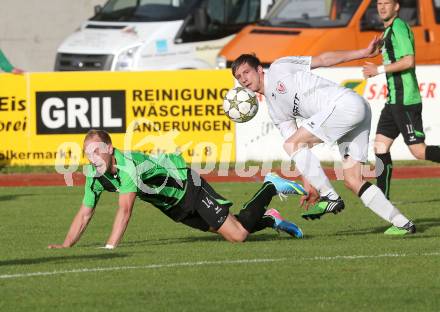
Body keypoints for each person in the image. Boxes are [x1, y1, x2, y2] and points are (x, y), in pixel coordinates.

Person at [231, 37, 415, 235]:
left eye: (246, 72)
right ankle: (402, 223)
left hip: (347, 105)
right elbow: (299, 149)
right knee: (353, 180)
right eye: (239, 78)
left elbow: (323, 59)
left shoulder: (279, 67)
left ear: (259, 69)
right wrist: (310, 186)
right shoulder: (276, 111)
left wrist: (363, 52)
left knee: (292, 144)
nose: (244, 79)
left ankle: (331, 197)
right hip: (353, 111)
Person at [48, 130, 305, 249]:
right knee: (230, 229)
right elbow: (85, 212)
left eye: (96, 151)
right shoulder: (93, 175)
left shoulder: (127, 166)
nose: (91, 157)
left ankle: (270, 186)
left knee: (237, 235)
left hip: (187, 186)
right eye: (87, 153)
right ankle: (270, 218)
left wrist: (109, 249)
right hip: (172, 207)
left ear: (110, 150)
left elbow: (124, 211)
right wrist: (66, 245)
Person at [362, 0, 440, 199]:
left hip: (405, 100)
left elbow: (409, 60)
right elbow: (395, 55)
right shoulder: (388, 32)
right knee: (380, 147)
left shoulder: (398, 26)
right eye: (379, 3)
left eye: (387, 3)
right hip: (393, 101)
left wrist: (377, 69)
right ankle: (382, 199)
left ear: (396, 7)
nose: (382, 7)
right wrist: (380, 49)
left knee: (419, 151)